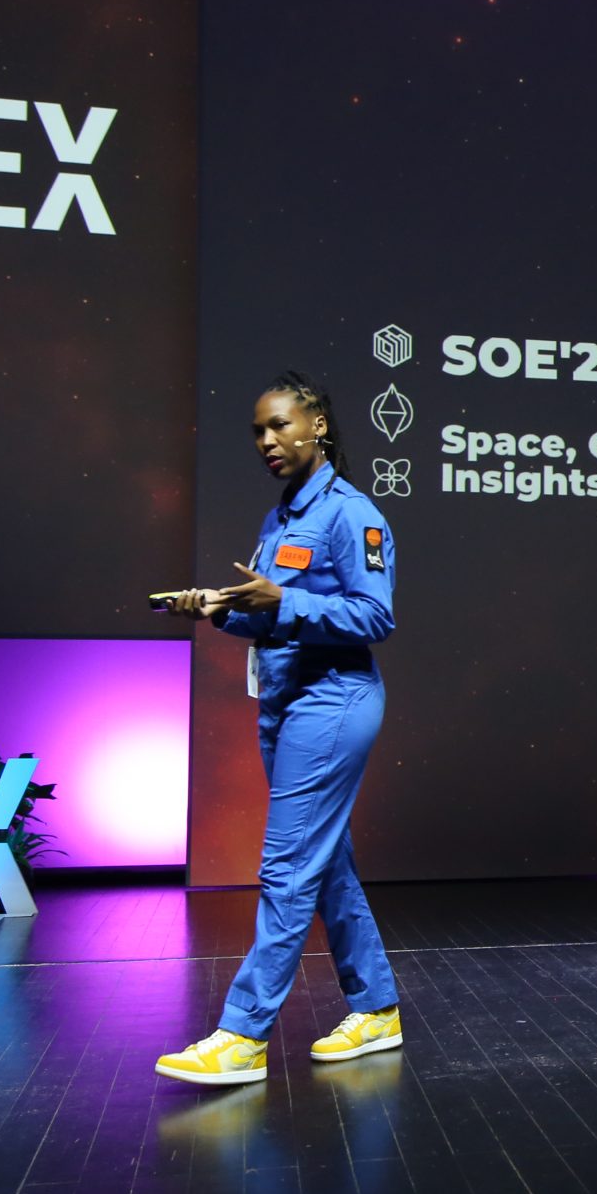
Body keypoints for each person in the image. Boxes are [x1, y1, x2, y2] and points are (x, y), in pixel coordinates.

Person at [155, 372, 403, 1086]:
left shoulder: (352, 515)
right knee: (325, 863)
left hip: (334, 701)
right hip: (285, 703)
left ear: (317, 424)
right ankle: (377, 1009)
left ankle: (243, 1034)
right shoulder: (279, 520)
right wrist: (218, 609)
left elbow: (375, 615)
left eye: (280, 425)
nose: (267, 441)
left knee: (288, 864)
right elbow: (269, 618)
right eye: (258, 431)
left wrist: (284, 600)